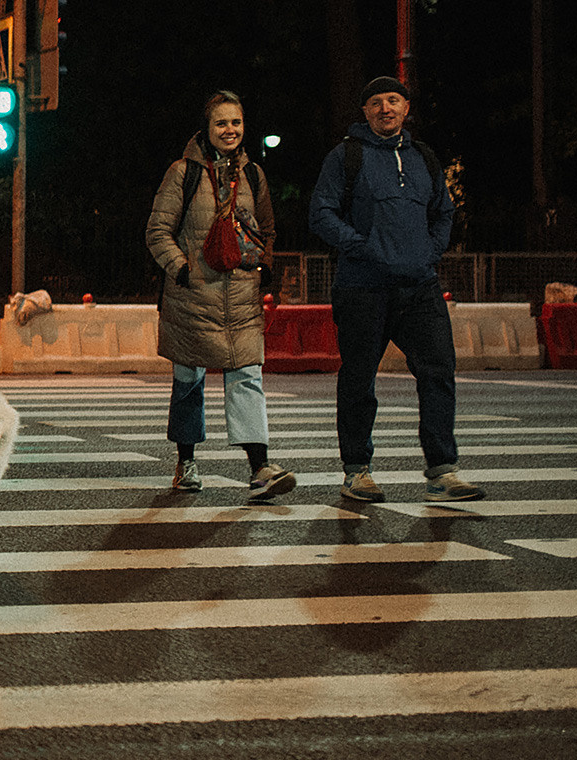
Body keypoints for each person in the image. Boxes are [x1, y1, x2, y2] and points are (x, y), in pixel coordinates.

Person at [308, 76, 482, 504]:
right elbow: (321, 214)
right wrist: (362, 248)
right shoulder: (345, 155)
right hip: (362, 287)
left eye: (393, 100)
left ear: (406, 108)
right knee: (359, 380)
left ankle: (442, 470)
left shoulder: (422, 156)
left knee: (438, 373)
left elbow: (444, 210)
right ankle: (357, 471)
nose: (385, 108)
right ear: (364, 112)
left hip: (420, 286)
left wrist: (431, 251)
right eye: (375, 103)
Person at [145, 90, 295, 503]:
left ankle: (260, 468)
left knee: (247, 379)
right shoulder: (183, 172)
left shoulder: (253, 175)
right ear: (206, 128)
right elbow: (157, 231)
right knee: (188, 383)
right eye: (221, 123)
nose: (230, 130)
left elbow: (266, 228)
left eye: (236, 123)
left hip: (242, 299)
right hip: (193, 298)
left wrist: (263, 266)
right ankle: (186, 463)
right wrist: (182, 270)